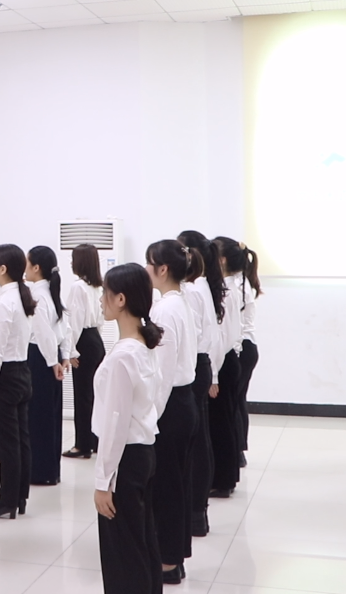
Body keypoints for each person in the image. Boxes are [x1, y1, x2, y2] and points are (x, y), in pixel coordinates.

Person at [93, 262, 164, 594]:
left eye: (105, 293)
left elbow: (115, 424)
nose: (101, 300)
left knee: (123, 553)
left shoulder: (124, 355)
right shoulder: (143, 346)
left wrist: (102, 481)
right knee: (142, 542)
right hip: (143, 452)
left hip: (125, 458)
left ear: (120, 299)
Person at [145, 240, 200, 584]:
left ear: (163, 269)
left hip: (171, 404)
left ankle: (167, 560)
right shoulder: (180, 302)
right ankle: (174, 556)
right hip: (183, 401)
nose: (145, 269)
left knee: (166, 486)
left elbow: (162, 374)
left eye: (149, 263)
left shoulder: (166, 309)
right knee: (177, 483)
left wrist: (150, 416)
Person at [0, 244, 36, 519]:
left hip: (6, 377)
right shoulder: (21, 297)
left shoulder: (4, 302)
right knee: (21, 440)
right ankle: (19, 496)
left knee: (7, 445)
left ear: (3, 268)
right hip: (22, 372)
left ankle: (7, 501)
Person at [177, 230, 225, 535]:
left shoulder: (193, 290)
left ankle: (195, 512)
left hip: (194, 365)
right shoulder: (200, 285)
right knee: (198, 440)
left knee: (194, 443)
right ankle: (196, 512)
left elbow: (199, 337)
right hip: (200, 364)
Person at [214, 238, 263, 466]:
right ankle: (238, 450)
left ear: (223, 260)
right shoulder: (241, 281)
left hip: (241, 348)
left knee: (233, 402)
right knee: (237, 400)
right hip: (246, 347)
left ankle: (236, 452)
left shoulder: (233, 287)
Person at [26, 245, 72, 486]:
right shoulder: (52, 293)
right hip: (52, 355)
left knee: (38, 415)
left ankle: (40, 471)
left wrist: (54, 361)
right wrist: (64, 356)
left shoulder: (36, 295)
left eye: (27, 263)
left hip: (40, 357)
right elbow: (64, 328)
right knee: (50, 414)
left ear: (36, 267)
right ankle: (50, 469)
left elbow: (43, 333)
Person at [209, 236, 244, 498]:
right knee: (225, 421)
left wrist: (213, 376)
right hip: (228, 358)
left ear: (221, 260)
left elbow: (220, 337)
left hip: (222, 361)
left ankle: (222, 479)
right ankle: (227, 477)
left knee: (220, 423)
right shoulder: (228, 288)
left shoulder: (225, 291)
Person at [63, 244, 105, 459]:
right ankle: (95, 440)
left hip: (83, 342)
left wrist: (70, 350)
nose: (71, 262)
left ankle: (82, 445)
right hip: (96, 340)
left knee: (82, 395)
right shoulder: (98, 286)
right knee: (94, 395)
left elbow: (74, 321)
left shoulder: (78, 287)